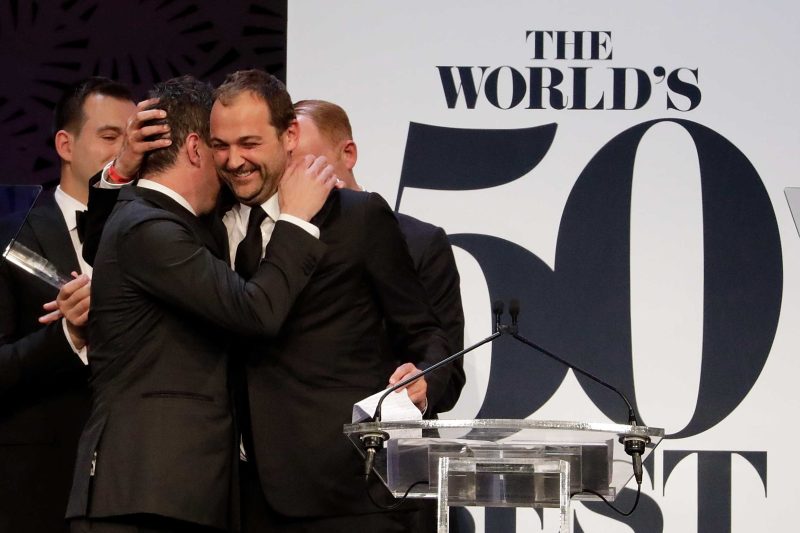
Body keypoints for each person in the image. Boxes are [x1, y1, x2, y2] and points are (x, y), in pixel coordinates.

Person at [64, 75, 337, 533]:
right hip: (146, 492)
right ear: (195, 148)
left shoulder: (162, 221)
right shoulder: (149, 227)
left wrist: (118, 172)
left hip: (173, 492)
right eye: (217, 146)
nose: (231, 164)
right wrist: (295, 220)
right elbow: (254, 312)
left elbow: (96, 247)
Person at [209, 69, 453, 532]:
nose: (234, 160)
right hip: (238, 493)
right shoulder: (208, 220)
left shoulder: (358, 217)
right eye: (221, 146)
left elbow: (425, 333)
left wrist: (426, 381)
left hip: (350, 492)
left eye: (249, 143)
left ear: (289, 135)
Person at [0, 77, 136, 533]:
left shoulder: (158, 237)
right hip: (40, 484)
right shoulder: (10, 236)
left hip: (137, 483)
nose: (126, 150)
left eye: (133, 137)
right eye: (109, 136)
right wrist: (69, 337)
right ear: (65, 143)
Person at [292, 99, 466, 415]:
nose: (297, 178)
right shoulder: (273, 241)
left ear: (348, 154)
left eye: (308, 164)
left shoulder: (420, 242)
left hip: (386, 448)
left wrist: (421, 384)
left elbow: (448, 370)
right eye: (286, 167)